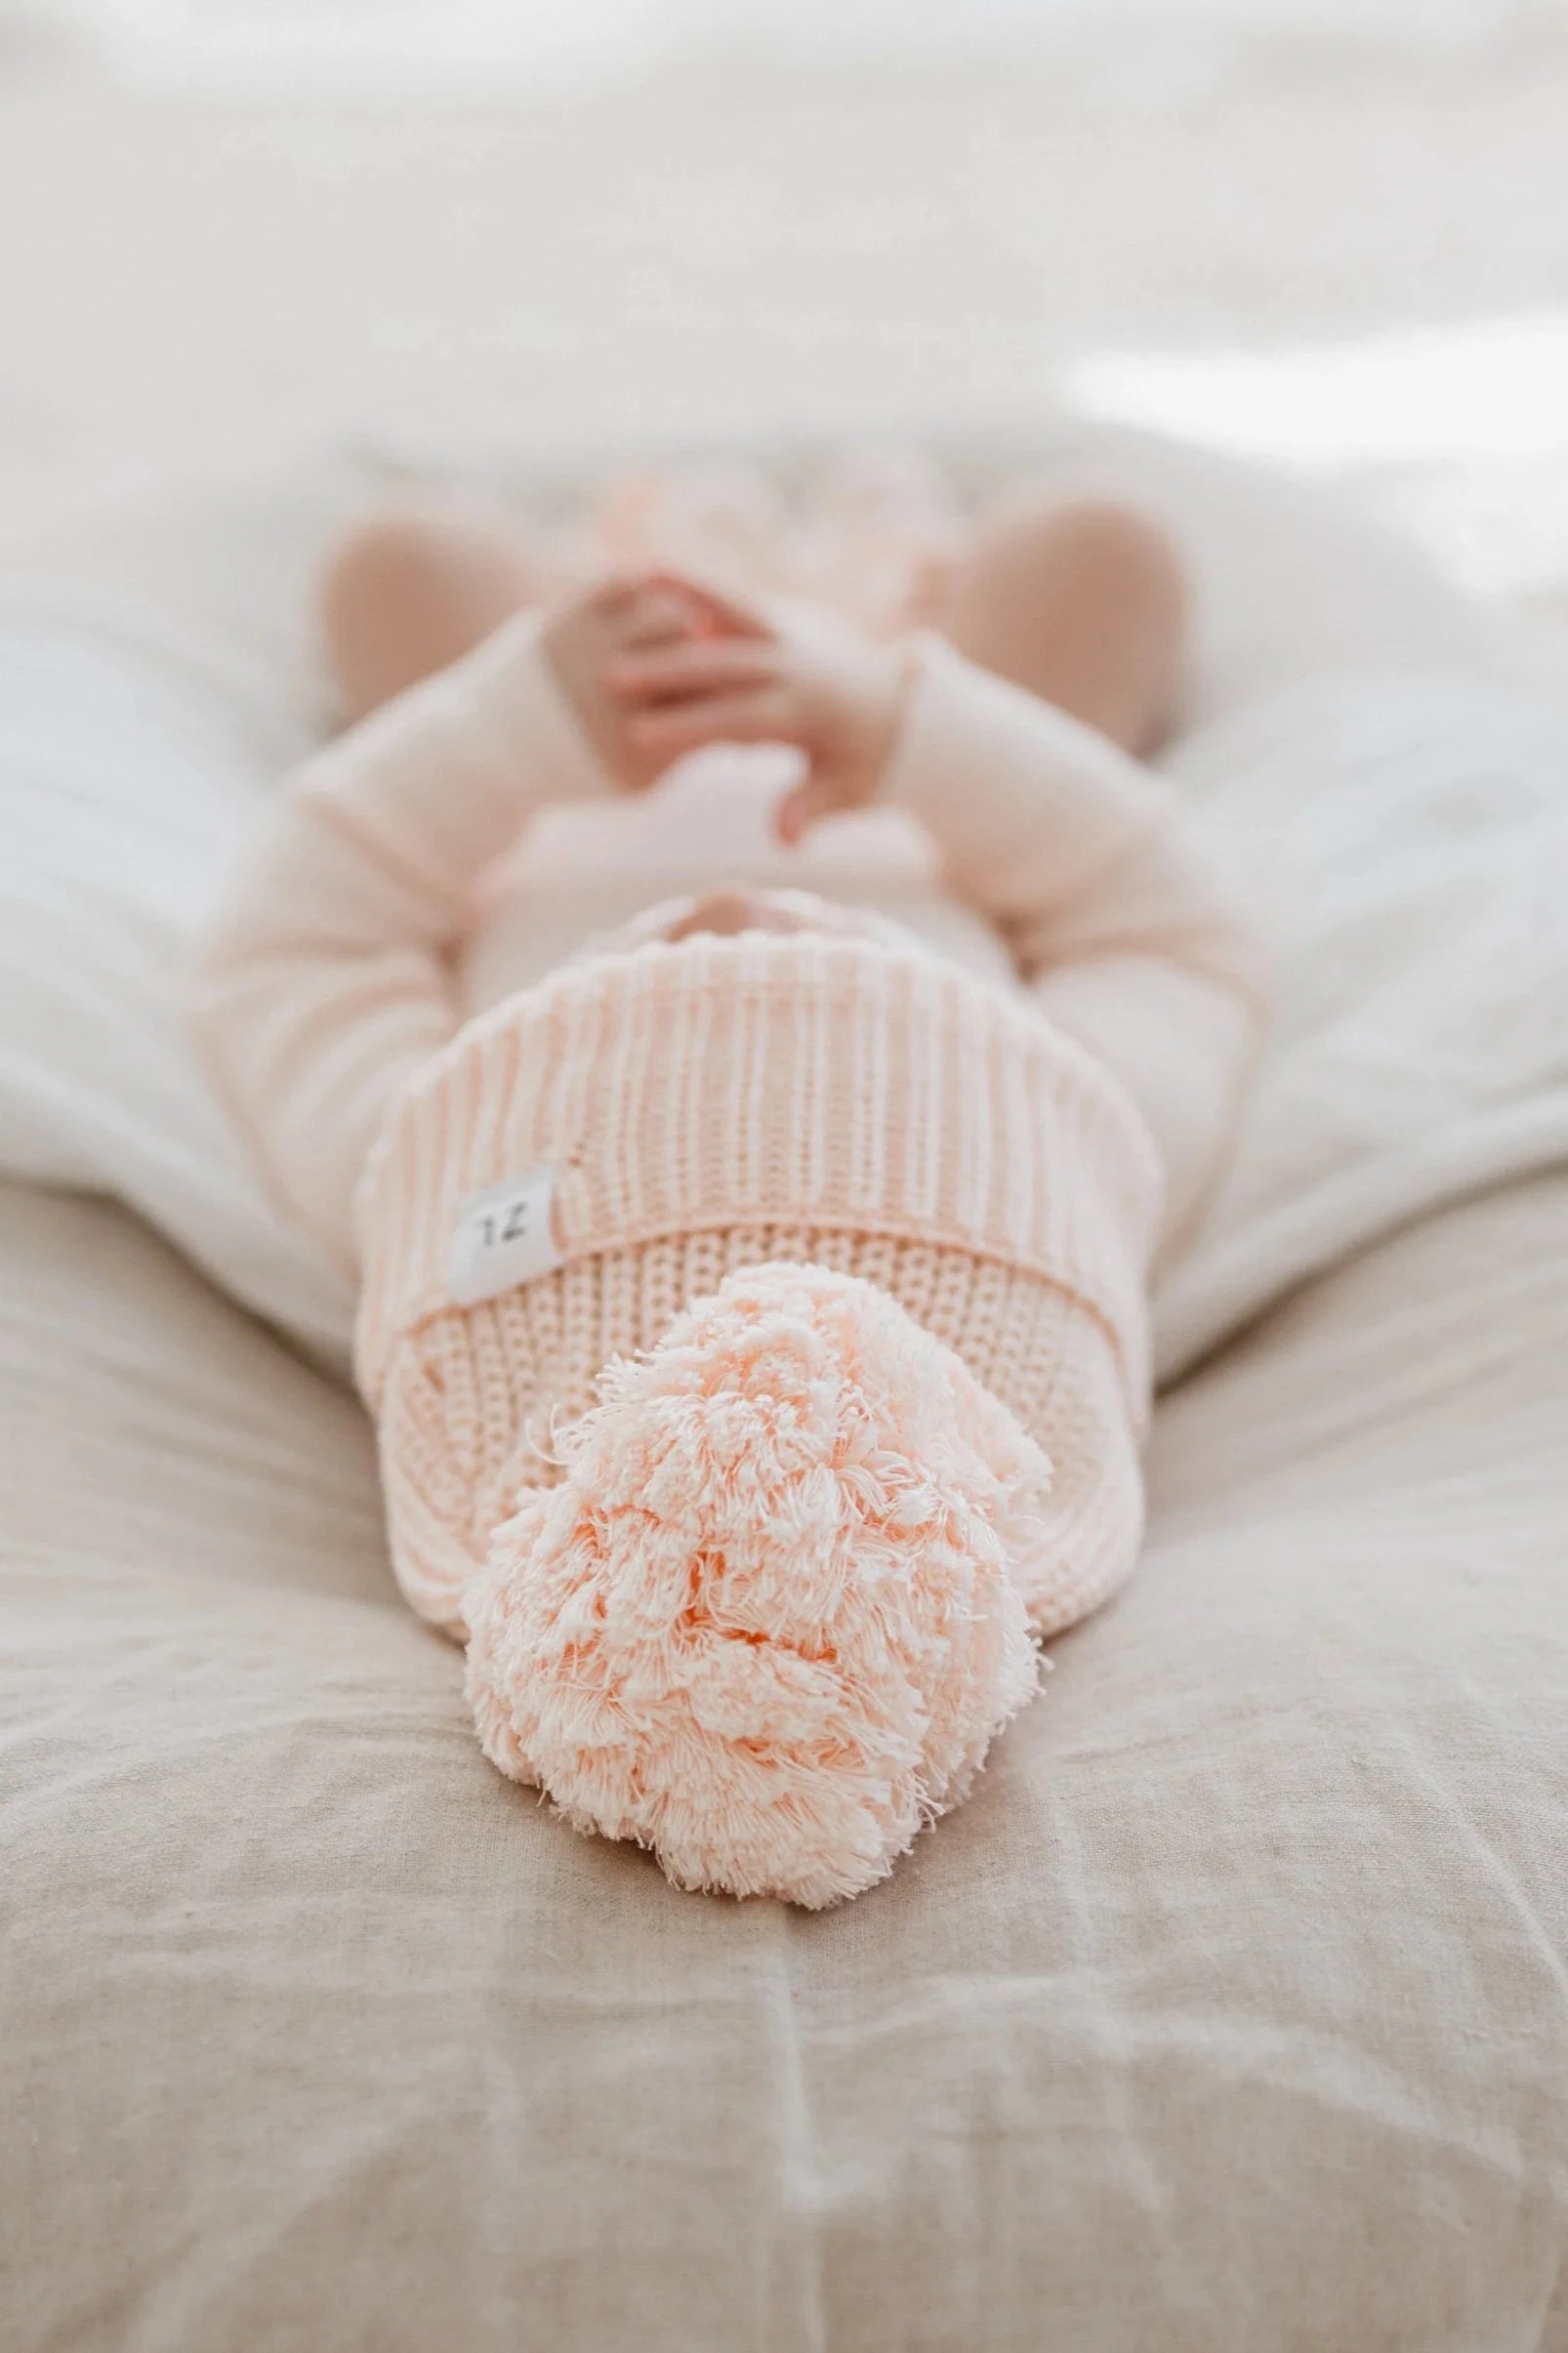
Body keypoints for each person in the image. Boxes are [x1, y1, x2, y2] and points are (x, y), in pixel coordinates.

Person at [191, 480, 1265, 1906]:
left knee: (403, 564)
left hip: (558, 801)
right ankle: (895, 605)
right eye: (826, 981)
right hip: (920, 809)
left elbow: (295, 945)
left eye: (664, 984)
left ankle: (601, 607)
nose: (735, 920)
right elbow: (1158, 919)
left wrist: (522, 724)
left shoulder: (423, 1165)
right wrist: (899, 723)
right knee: (1102, 551)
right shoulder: (1080, 1130)